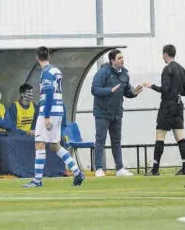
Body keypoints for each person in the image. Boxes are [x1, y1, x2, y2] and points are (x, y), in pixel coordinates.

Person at [22, 46, 84, 187]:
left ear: (37, 57)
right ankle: (77, 172)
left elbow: (49, 94)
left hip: (48, 111)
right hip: (59, 110)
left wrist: (46, 116)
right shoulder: (57, 71)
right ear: (48, 56)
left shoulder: (46, 73)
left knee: (39, 143)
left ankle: (37, 180)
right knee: (55, 146)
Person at [91, 49, 143, 177]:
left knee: (116, 141)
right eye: (119, 58)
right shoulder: (103, 72)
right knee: (100, 140)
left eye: (122, 58)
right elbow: (95, 89)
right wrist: (110, 90)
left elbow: (127, 91)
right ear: (112, 60)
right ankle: (99, 168)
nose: (122, 60)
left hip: (117, 113)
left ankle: (119, 169)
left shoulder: (125, 74)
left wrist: (134, 93)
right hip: (102, 113)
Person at [143, 44, 185, 176]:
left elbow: (165, 89)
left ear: (165, 54)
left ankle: (155, 169)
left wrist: (151, 86)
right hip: (179, 105)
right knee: (180, 136)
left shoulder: (167, 69)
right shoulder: (182, 69)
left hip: (167, 106)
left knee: (160, 136)